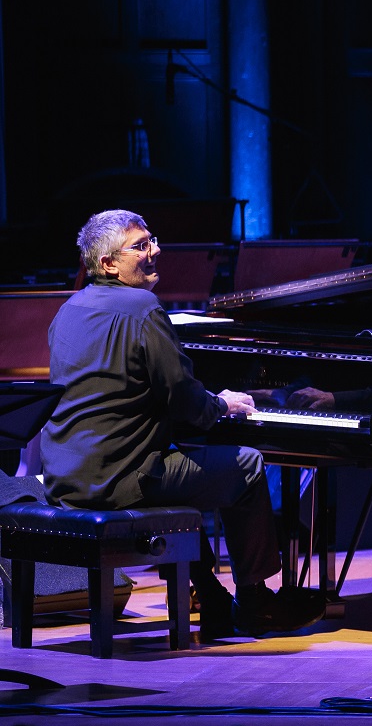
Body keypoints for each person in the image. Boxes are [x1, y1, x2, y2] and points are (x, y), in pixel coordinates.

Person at [41, 210, 324, 637]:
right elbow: (185, 400)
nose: (155, 251)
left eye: (153, 240)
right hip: (123, 480)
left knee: (183, 460)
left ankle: (209, 593)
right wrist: (222, 404)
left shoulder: (68, 310)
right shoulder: (142, 308)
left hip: (67, 477)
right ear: (109, 265)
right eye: (141, 246)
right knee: (245, 465)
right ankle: (256, 601)